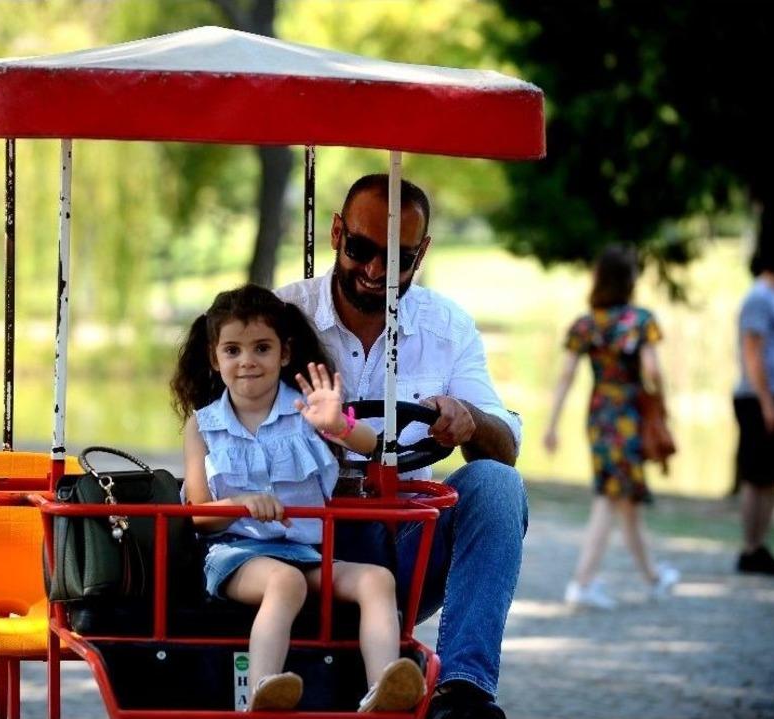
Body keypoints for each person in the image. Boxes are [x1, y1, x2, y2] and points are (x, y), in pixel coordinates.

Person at [277, 175, 527, 719]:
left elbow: (505, 446)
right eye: (361, 249)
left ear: (423, 254)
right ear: (337, 232)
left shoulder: (447, 327)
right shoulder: (282, 318)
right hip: (301, 541)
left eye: (399, 258)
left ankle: (463, 691)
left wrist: (470, 422)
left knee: (496, 483)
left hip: (405, 545)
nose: (375, 272)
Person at [171, 284, 425, 713]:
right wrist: (243, 503)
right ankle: (263, 691)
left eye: (261, 348)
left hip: (306, 553)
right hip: (236, 556)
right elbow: (198, 515)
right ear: (215, 359)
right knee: (283, 583)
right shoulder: (203, 426)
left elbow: (371, 444)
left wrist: (337, 424)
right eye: (232, 350)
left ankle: (383, 689)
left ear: (283, 354)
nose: (247, 361)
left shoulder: (308, 409)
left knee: (376, 579)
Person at [543, 246, 680, 608]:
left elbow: (567, 377)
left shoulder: (585, 324)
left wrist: (552, 425)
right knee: (611, 495)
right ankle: (582, 583)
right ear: (630, 280)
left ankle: (654, 576)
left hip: (599, 412)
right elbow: (653, 371)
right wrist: (661, 404)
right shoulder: (641, 321)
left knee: (624, 496)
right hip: (629, 414)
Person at [732, 238, 774, 576]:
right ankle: (748, 547)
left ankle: (761, 545)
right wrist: (766, 402)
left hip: (773, 397)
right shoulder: (758, 298)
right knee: (754, 473)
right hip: (756, 398)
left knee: (770, 477)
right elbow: (752, 353)